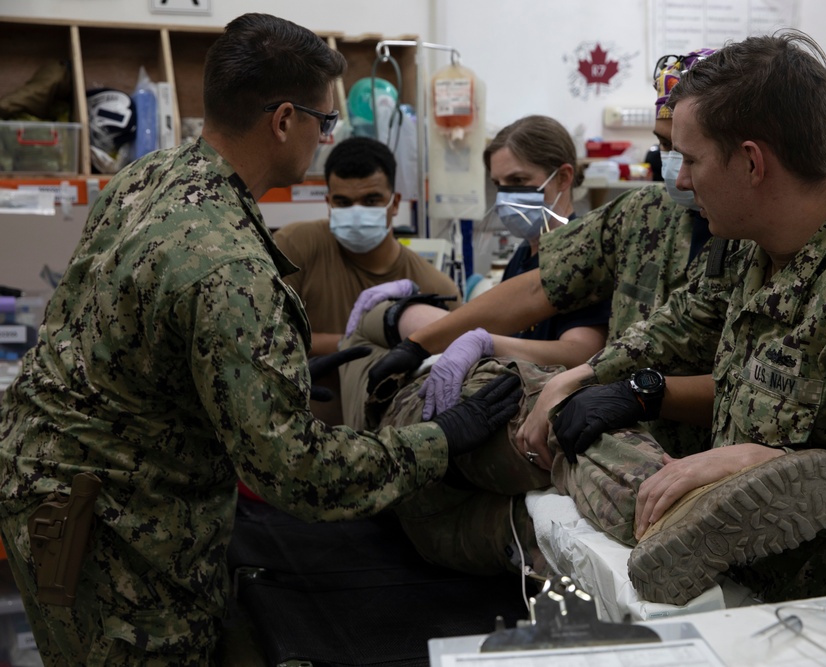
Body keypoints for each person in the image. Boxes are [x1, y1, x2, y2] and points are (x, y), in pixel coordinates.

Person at [0, 14, 522, 664]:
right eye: (325, 123)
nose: (326, 138)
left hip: (45, 481)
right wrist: (439, 440)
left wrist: (259, 373)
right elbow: (295, 472)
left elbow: (127, 331)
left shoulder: (148, 178)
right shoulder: (235, 268)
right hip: (113, 528)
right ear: (284, 120)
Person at [547, 31, 826, 606]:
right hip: (735, 587)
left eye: (692, 159)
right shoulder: (749, 244)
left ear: (752, 162)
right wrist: (587, 374)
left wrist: (769, 468)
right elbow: (687, 318)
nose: (680, 180)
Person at [357, 56, 740, 458]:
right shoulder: (642, 214)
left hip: (707, 455)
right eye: (663, 146)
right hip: (616, 436)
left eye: (686, 153)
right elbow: (538, 288)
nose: (675, 171)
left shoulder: (749, 242)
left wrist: (631, 390)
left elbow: (743, 382)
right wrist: (419, 343)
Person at [340, 114, 612, 429]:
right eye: (499, 185)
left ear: (563, 178)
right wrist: (415, 296)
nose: (506, 196)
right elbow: (501, 320)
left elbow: (584, 353)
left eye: (519, 181)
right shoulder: (527, 252)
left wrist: (487, 344)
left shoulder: (582, 254)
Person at [273, 136, 461, 426]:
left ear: (394, 202)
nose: (357, 211)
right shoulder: (296, 247)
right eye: (343, 202)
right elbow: (263, 336)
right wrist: (360, 343)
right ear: (328, 203)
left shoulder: (435, 287)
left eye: (371, 200)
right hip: (300, 434)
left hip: (389, 443)